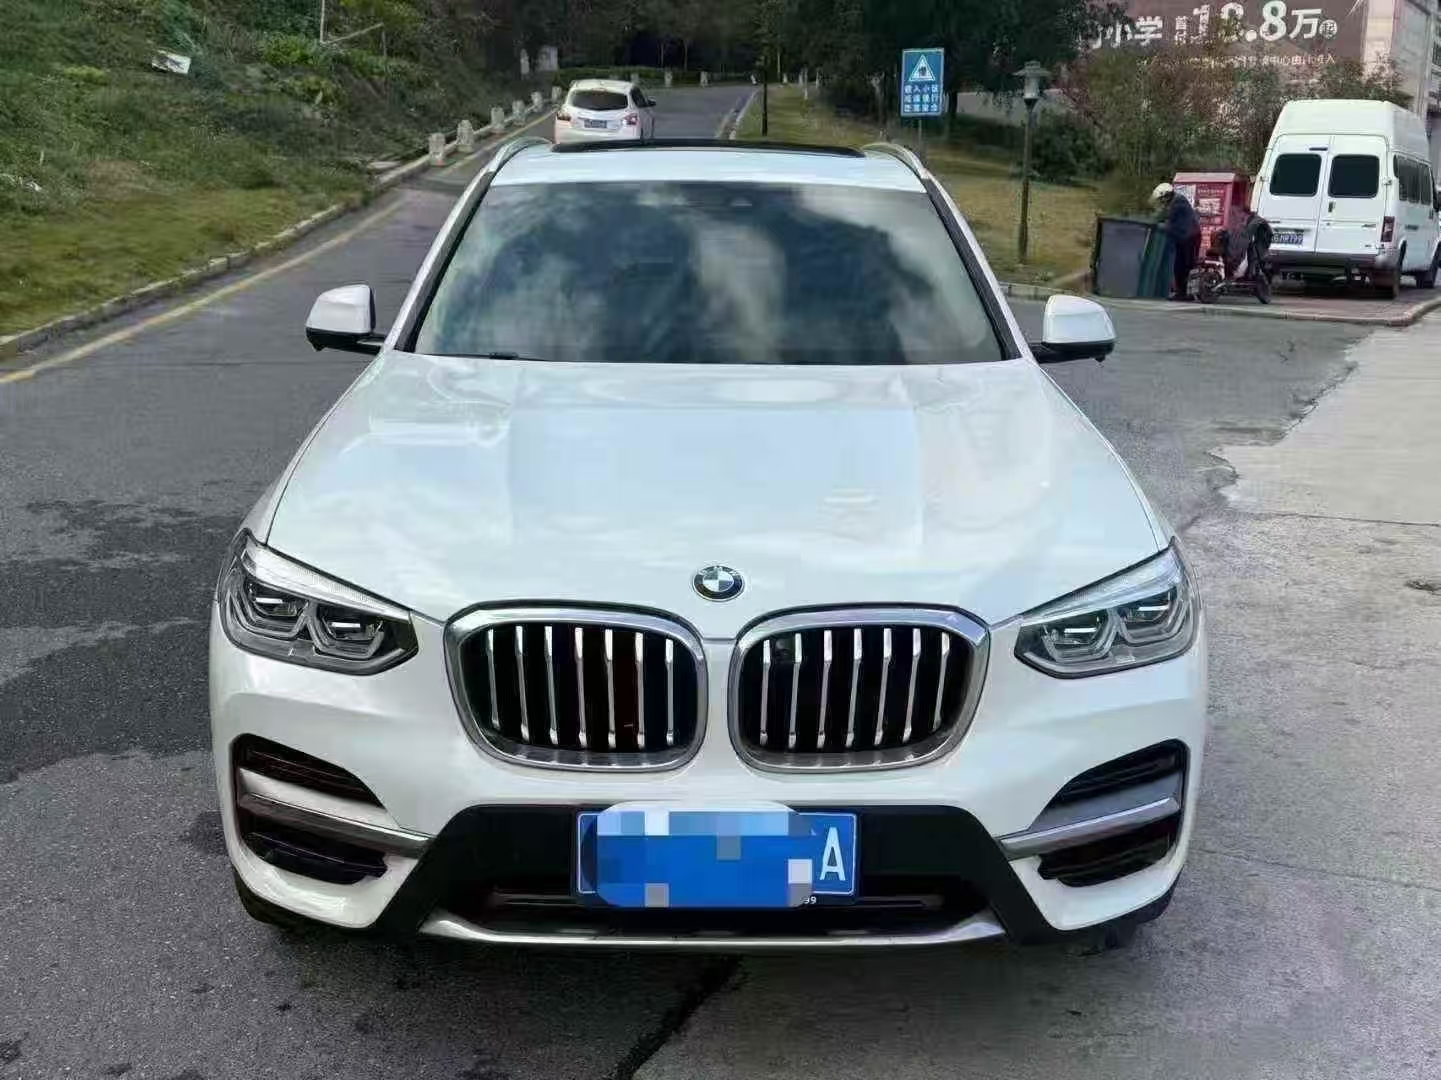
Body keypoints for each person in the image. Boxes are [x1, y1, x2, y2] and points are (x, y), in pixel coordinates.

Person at [1151, 182, 1200, 301]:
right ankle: (1184, 293)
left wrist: (1157, 223)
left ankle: (1186, 293)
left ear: (1166, 195)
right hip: (1185, 236)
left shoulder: (1178, 202)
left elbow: (1168, 218)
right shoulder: (1176, 200)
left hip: (1190, 237)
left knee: (1185, 266)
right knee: (1181, 265)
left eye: (1162, 199)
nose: (1162, 202)